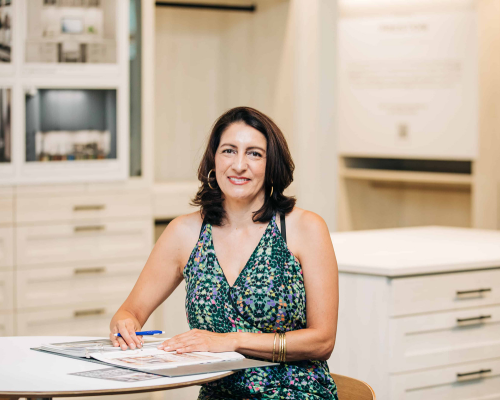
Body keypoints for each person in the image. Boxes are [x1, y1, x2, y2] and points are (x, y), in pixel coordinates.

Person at [110, 106, 339, 399]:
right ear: (213, 160)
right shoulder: (184, 233)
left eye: (254, 153)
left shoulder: (305, 228)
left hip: (293, 392)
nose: (239, 165)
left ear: (272, 166)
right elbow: (129, 311)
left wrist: (229, 341)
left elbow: (322, 341)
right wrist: (124, 325)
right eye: (229, 151)